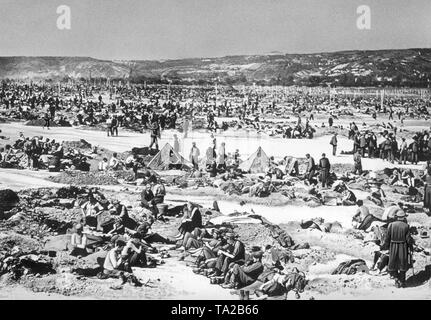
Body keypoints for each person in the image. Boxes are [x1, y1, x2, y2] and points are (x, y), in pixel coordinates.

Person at [383, 210, 414, 288]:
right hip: (403, 246)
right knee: (402, 263)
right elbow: (408, 239)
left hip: (393, 246)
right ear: (403, 217)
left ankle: (396, 280)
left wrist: (385, 246)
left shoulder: (391, 225)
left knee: (393, 262)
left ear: (396, 217)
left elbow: (387, 238)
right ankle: (402, 282)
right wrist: (412, 244)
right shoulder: (406, 226)